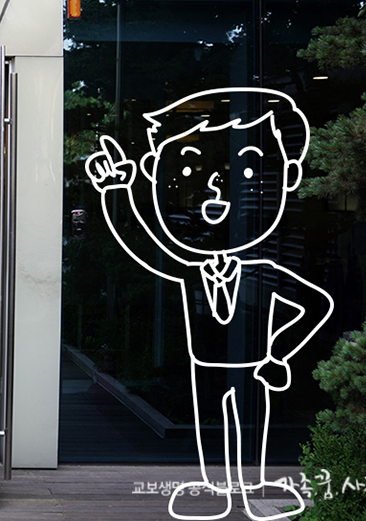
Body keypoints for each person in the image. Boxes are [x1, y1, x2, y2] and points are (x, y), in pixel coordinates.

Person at [85, 88, 333, 520]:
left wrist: (277, 353)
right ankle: (215, 487)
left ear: (289, 175)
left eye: (247, 169)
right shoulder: (190, 268)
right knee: (209, 420)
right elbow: (143, 243)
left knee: (250, 422)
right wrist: (115, 192)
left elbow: (314, 305)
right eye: (188, 169)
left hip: (252, 365)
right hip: (204, 363)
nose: (216, 185)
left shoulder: (263, 268)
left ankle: (252, 485)